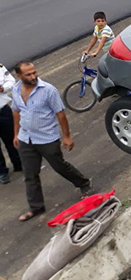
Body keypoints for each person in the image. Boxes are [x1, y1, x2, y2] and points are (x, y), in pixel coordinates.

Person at [11, 61, 92, 222]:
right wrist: (16, 133)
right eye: (28, 74)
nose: (33, 76)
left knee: (59, 166)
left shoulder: (48, 90)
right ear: (19, 76)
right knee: (30, 174)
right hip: (26, 138)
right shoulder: (15, 89)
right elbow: (16, 111)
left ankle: (83, 183)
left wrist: (67, 136)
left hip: (47, 138)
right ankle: (36, 207)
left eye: (34, 72)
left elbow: (60, 114)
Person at [0, 63, 22, 184]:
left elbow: (11, 81)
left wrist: (3, 88)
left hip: (2, 109)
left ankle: (18, 163)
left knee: (11, 138)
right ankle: (2, 172)